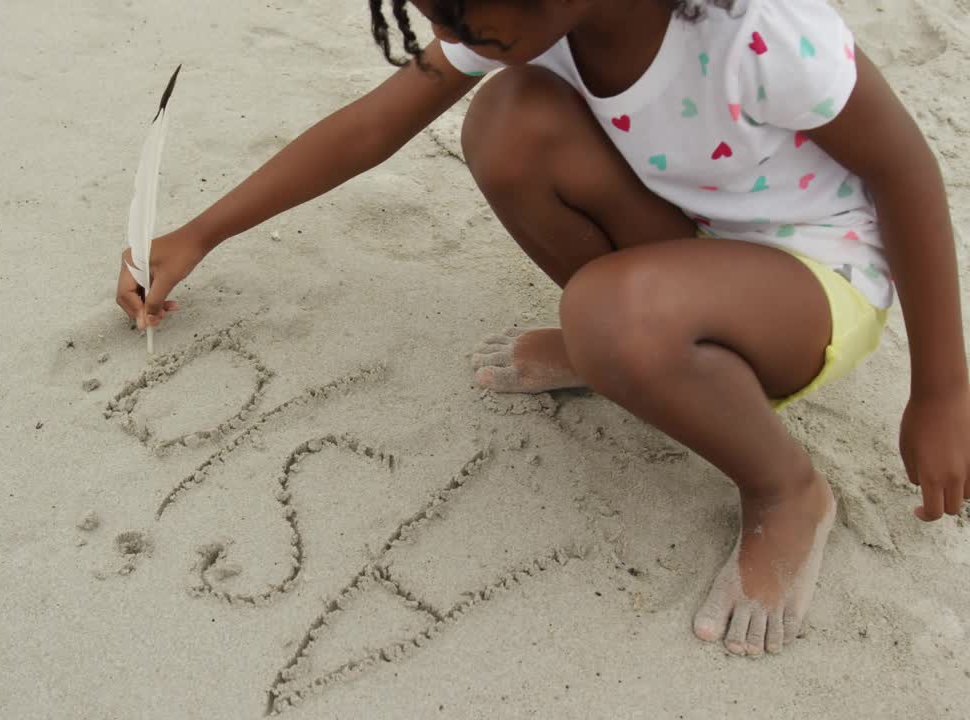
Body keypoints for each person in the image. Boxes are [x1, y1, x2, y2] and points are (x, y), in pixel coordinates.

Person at [115, 0, 969, 656]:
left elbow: (907, 176)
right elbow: (375, 123)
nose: (449, 31)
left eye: (461, 17)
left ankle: (786, 489)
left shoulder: (761, 32)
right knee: (506, 118)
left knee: (608, 315)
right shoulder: (518, 17)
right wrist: (199, 233)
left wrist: (941, 391)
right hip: (688, 236)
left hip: (816, 277)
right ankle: (628, 345)